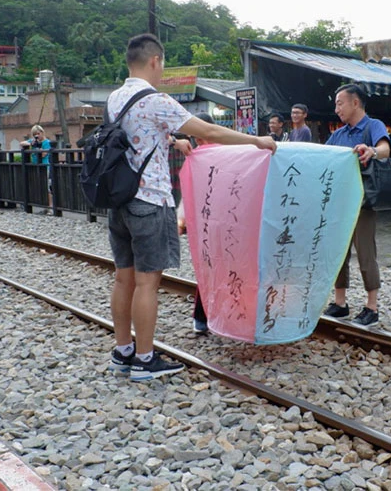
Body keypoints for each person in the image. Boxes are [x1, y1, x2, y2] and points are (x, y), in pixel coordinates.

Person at [106, 33, 276, 382]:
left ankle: (123, 351)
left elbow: (137, 133)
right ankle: (145, 359)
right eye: (163, 64)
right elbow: (210, 131)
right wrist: (256, 141)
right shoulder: (157, 100)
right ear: (155, 61)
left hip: (118, 201)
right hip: (150, 200)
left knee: (123, 279)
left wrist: (172, 139)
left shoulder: (115, 97)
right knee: (147, 283)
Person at [322, 84, 390, 327]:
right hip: (340, 201)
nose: (336, 108)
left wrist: (371, 150)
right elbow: (322, 156)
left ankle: (372, 306)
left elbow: (385, 149)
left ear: (355, 103)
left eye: (340, 103)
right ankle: (340, 303)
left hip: (363, 202)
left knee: (365, 253)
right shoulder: (338, 135)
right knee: (338, 251)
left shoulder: (373, 126)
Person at [172, 112, 213, 336]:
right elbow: (189, 193)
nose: (197, 140)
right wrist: (182, 219)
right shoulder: (194, 156)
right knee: (207, 270)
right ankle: (202, 316)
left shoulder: (229, 151)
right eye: (194, 136)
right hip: (204, 222)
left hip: (228, 220)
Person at [20, 125, 53, 212]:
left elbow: (44, 154)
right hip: (35, 166)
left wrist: (38, 148)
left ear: (42, 132)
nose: (37, 136)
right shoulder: (34, 141)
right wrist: (31, 143)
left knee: (47, 187)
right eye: (35, 134)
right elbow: (22, 143)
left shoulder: (46, 142)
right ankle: (40, 205)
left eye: (38, 133)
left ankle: (50, 206)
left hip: (45, 166)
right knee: (35, 186)